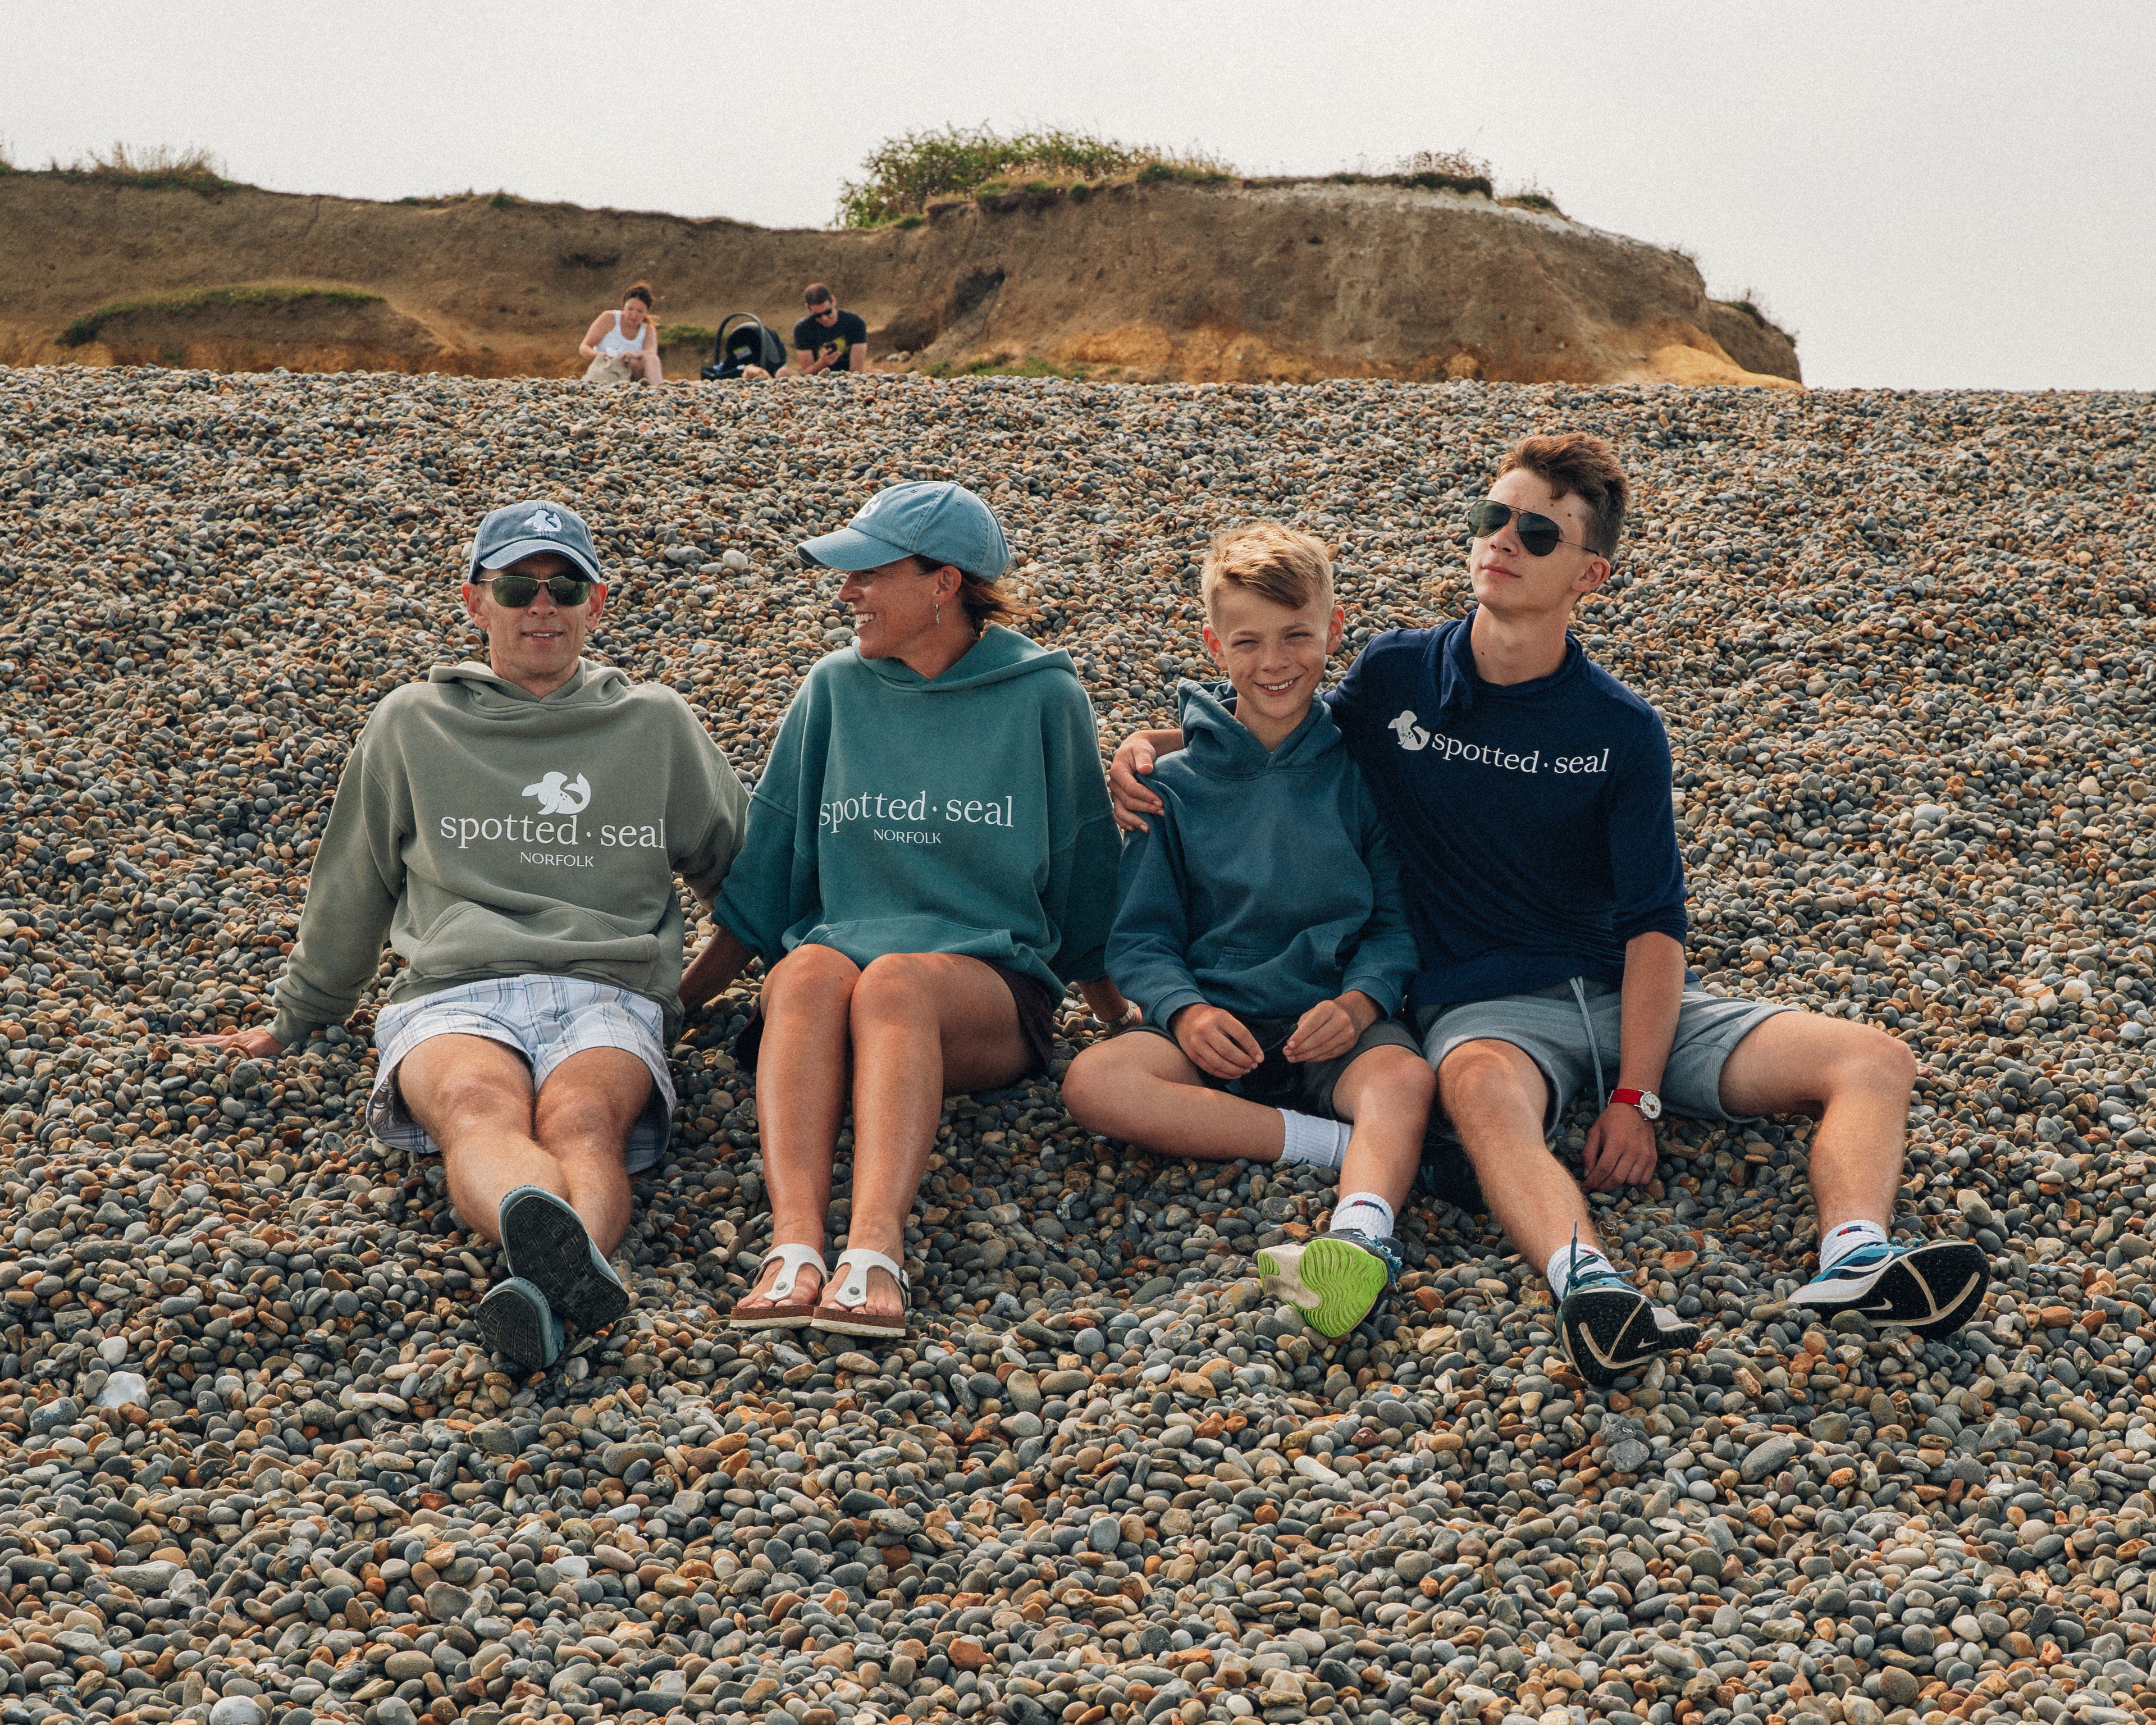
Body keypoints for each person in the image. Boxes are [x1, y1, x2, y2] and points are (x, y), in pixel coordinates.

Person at [1111, 434, 1988, 1386]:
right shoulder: (1401, 679)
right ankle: (1591, 1287)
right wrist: (1149, 746)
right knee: (1479, 1092)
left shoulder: (1621, 727)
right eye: (1493, 517)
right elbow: (1277, 726)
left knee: (1874, 1057)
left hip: (1623, 993)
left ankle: (1854, 1257)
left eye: (1536, 531)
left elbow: (1657, 925)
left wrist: (1635, 1096)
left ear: (1590, 574)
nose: (1502, 542)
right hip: (1489, 1009)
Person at [194, 499, 749, 1370]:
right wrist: (297, 1017)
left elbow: (745, 883)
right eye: (518, 586)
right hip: (454, 990)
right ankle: (571, 1279)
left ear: (596, 604)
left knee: (583, 1118)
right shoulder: (413, 722)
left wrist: (695, 996)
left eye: (565, 586)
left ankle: (550, 1282)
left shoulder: (657, 724)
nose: (542, 606)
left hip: (607, 988)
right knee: (477, 1106)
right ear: (473, 601)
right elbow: (355, 883)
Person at [678, 481, 1125, 1338]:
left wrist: (1118, 1017)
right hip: (840, 980)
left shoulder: (1043, 697)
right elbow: (767, 878)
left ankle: (875, 1250)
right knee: (805, 967)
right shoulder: (834, 690)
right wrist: (681, 1003)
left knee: (895, 984)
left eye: (867, 573)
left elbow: (1084, 870)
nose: (845, 592)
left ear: (943, 584)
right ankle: (796, 1248)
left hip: (985, 991)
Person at [1061, 524, 1433, 1339]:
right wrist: (1186, 1011)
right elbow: (1143, 940)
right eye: (1249, 642)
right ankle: (1338, 1148)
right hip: (1214, 1028)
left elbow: (1396, 924)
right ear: (1212, 644)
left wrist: (1365, 1002)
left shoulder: (1365, 775)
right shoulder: (1173, 786)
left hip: (1331, 1029)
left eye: (1298, 636)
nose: (1276, 662)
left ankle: (1362, 1237)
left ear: (1334, 632)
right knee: (1095, 1083)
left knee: (1403, 1083)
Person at [580, 282, 663, 385]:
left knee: (652, 358)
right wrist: (599, 356)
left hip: (632, 370)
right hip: (607, 367)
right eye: (630, 309)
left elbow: (651, 352)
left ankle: (657, 390)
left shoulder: (648, 329)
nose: (634, 315)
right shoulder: (609, 318)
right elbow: (585, 346)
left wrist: (633, 355)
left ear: (646, 312)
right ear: (624, 306)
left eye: (640, 311)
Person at [783, 283, 871, 378]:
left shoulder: (855, 323)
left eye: (828, 312)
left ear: (833, 301)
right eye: (818, 315)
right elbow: (807, 373)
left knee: (878, 372)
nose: (824, 318)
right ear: (808, 308)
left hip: (850, 377)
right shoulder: (802, 328)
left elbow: (856, 370)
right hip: (816, 380)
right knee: (783, 373)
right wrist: (822, 363)